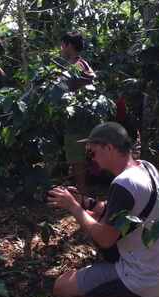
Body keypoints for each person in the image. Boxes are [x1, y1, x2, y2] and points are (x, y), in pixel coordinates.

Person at [47, 122, 159, 297]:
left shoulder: (123, 183)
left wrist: (74, 207)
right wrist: (86, 202)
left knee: (61, 287)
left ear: (109, 148)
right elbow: (124, 211)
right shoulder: (146, 168)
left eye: (93, 152)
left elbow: (105, 239)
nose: (91, 158)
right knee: (97, 218)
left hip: (141, 278)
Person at [59, 31, 96, 193]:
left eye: (62, 44)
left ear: (68, 45)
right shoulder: (80, 64)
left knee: (77, 158)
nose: (61, 48)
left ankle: (81, 195)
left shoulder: (77, 66)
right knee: (78, 157)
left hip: (77, 118)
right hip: (79, 116)